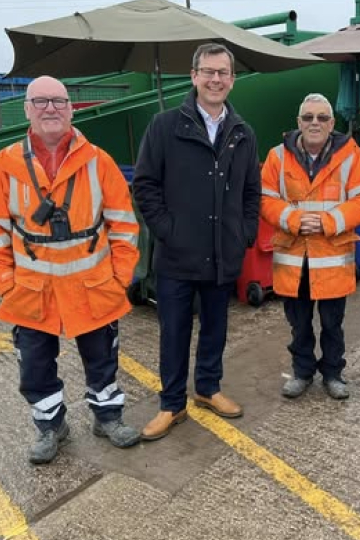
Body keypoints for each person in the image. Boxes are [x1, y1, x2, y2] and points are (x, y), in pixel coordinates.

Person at [0, 76, 141, 464]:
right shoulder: (6, 164)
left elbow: (124, 225)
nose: (51, 108)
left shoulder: (98, 161)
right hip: (31, 292)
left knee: (103, 360)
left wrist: (120, 280)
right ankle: (51, 427)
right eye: (41, 101)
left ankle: (108, 418)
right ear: (28, 110)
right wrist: (5, 283)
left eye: (59, 101)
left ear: (71, 108)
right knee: (34, 367)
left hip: (94, 286)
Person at [132, 43, 260, 440]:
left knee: (216, 329)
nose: (215, 79)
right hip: (176, 257)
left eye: (223, 73)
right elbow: (145, 186)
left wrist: (244, 234)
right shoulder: (165, 126)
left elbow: (252, 193)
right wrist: (168, 231)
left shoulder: (242, 133)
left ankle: (207, 388)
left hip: (223, 254)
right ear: (193, 76)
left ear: (232, 80)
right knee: (173, 333)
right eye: (208, 71)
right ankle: (172, 405)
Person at [260, 93, 360, 400]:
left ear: (331, 123)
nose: (315, 123)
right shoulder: (277, 156)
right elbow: (264, 198)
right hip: (293, 256)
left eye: (322, 117)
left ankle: (333, 373)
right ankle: (302, 372)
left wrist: (327, 221)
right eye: (308, 117)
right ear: (298, 122)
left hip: (332, 256)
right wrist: (295, 219)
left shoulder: (350, 155)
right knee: (298, 324)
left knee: (332, 324)